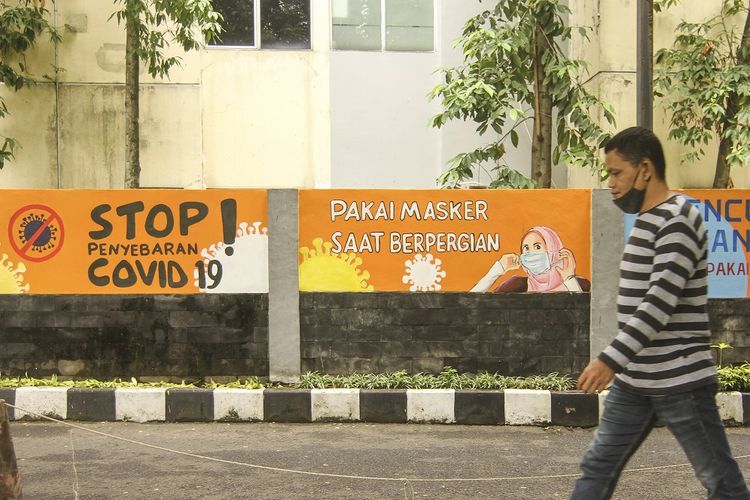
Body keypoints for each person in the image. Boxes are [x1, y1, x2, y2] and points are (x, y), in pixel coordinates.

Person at [571, 127, 750, 499]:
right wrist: (622, 364)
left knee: (720, 481)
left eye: (617, 172)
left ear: (645, 169)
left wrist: (609, 359)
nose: (611, 183)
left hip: (681, 379)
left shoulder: (679, 218)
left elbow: (658, 303)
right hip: (638, 380)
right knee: (598, 466)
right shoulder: (645, 219)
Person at [470, 226, 589, 292]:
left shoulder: (580, 285)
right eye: (526, 248)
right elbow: (469, 304)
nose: (531, 253)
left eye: (537, 247)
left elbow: (584, 319)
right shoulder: (516, 285)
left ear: (554, 249)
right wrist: (498, 269)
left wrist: (569, 279)